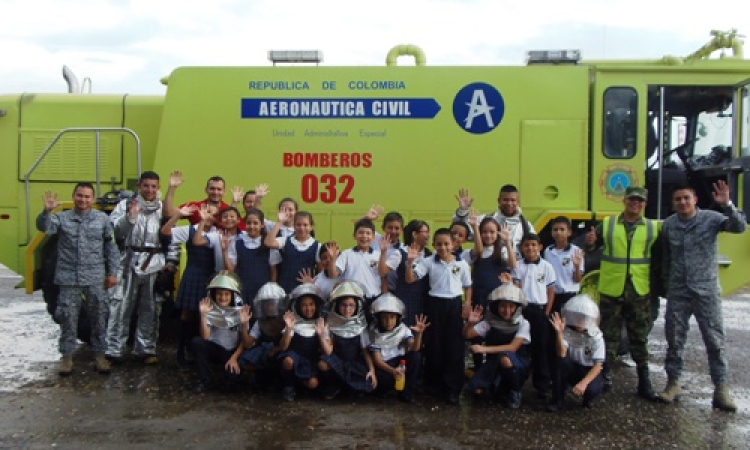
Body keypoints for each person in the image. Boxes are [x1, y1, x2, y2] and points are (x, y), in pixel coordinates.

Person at [658, 181, 746, 412]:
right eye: (678, 199)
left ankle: (721, 388)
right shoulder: (669, 225)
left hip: (706, 291)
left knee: (715, 341)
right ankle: (673, 383)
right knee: (674, 340)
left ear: (695, 200)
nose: (683, 202)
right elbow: (667, 258)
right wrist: (666, 286)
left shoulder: (711, 219)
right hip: (678, 291)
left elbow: (739, 227)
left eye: (687, 198)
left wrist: (727, 204)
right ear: (674, 203)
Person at [584, 185, 659, 401]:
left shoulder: (653, 229)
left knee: (639, 337)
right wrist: (589, 244)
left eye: (640, 201)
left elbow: (660, 259)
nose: (635, 203)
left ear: (644, 204)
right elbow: (590, 247)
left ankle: (644, 382)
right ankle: (603, 377)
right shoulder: (607, 225)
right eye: (631, 199)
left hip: (638, 290)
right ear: (624, 201)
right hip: (612, 290)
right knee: (608, 336)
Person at [37, 184, 120, 375]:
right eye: (80, 196)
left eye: (87, 196)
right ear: (74, 196)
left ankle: (100, 356)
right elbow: (46, 227)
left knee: (99, 317)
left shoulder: (102, 220)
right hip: (69, 279)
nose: (83, 200)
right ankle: (67, 359)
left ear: (93, 198)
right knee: (67, 318)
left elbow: (111, 248)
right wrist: (46, 212)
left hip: (94, 278)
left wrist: (113, 273)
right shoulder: (62, 218)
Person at [406, 228, 472, 405]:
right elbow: (411, 279)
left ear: (453, 245)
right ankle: (433, 385)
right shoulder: (428, 262)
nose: (442, 247)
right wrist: (409, 262)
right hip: (435, 304)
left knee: (454, 347)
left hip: (454, 305)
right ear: (433, 245)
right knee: (434, 345)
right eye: (439, 244)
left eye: (446, 244)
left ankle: (452, 389)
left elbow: (468, 286)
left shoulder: (462, 264)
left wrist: (467, 304)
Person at [106, 171, 165, 364]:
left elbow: (169, 234)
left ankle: (146, 349)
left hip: (154, 261)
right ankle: (114, 349)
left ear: (158, 188)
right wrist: (129, 219)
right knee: (121, 305)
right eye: (146, 185)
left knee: (150, 307)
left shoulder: (162, 208)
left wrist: (171, 261)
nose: (149, 190)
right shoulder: (124, 206)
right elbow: (115, 232)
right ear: (139, 185)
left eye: (153, 186)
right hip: (128, 260)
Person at [160, 204, 217, 366]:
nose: (209, 216)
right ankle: (180, 353)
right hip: (193, 274)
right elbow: (165, 232)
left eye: (213, 214)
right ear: (200, 213)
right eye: (207, 212)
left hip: (210, 276)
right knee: (187, 314)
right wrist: (177, 215)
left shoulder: (217, 232)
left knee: (205, 315)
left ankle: (199, 354)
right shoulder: (190, 229)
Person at [464, 284, 531, 408]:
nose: (507, 310)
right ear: (496, 306)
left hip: (517, 363)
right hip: (494, 363)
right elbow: (467, 335)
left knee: (505, 358)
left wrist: (483, 349)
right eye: (503, 306)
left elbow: (512, 348)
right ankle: (496, 388)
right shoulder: (490, 322)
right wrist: (470, 324)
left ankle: (515, 392)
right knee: (477, 390)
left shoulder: (523, 323)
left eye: (511, 306)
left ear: (517, 308)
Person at [191, 271, 251, 393]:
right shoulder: (209, 308)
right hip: (215, 348)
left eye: (226, 294)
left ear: (232, 295)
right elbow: (205, 337)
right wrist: (203, 315)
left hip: (233, 352)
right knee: (196, 342)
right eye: (219, 294)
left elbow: (244, 342)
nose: (223, 297)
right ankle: (205, 380)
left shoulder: (240, 311)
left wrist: (234, 358)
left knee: (232, 385)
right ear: (214, 294)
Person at [513, 233, 556, 399]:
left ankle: (542, 385)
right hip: (523, 310)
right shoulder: (518, 266)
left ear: (540, 247)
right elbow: (516, 287)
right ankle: (517, 384)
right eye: (526, 245)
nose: (530, 248)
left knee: (541, 349)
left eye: (533, 244)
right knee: (522, 347)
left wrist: (547, 311)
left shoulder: (546, 267)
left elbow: (550, 291)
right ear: (522, 248)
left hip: (540, 310)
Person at [365, 293, 429, 403]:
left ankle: (407, 393)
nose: (388, 321)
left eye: (392, 317)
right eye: (384, 317)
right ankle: (384, 390)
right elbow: (377, 360)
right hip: (385, 366)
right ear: (379, 318)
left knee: (416, 357)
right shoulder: (373, 332)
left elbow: (414, 347)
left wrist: (418, 334)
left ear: (398, 318)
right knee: (381, 379)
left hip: (400, 363)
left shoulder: (403, 330)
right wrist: (393, 371)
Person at [325, 219, 398, 313]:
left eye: (368, 233)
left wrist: (384, 298)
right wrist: (332, 260)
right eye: (361, 233)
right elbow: (333, 275)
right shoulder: (347, 254)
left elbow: (383, 277)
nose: (364, 236)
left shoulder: (379, 255)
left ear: (373, 237)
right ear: (354, 235)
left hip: (374, 299)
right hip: (353, 301)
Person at [318, 281, 376, 399]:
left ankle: (348, 388)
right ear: (338, 305)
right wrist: (321, 335)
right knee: (323, 364)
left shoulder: (360, 324)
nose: (347, 309)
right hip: (337, 361)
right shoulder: (331, 322)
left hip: (354, 363)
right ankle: (334, 386)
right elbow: (329, 352)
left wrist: (372, 371)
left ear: (356, 306)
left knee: (370, 384)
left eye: (351, 305)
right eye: (344, 305)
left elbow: (365, 351)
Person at [548, 294, 605, 411]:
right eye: (576, 317)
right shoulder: (567, 331)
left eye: (583, 318)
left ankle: (588, 399)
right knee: (560, 362)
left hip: (588, 370)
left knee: (592, 389)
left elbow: (598, 366)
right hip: (572, 367)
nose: (580, 321)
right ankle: (557, 399)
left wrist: (583, 383)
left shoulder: (596, 336)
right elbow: (562, 353)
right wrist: (559, 333)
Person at [278, 283, 331, 401]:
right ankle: (289, 386)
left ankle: (318, 387)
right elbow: (283, 347)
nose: (308, 309)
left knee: (313, 383)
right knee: (287, 361)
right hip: (295, 358)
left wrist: (321, 336)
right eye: (304, 305)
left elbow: (328, 352)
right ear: (298, 306)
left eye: (311, 304)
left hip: (312, 360)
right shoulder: (293, 321)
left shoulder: (321, 322)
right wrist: (289, 329)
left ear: (316, 305)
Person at [453, 185, 535, 257]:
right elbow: (460, 230)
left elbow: (534, 250)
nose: (509, 203)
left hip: (515, 271)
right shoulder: (485, 220)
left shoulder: (525, 226)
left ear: (518, 202)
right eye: (505, 200)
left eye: (513, 200)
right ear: (498, 201)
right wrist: (463, 210)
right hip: (489, 270)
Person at [223, 208, 280, 303]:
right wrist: (224, 251)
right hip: (242, 290)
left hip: (263, 292)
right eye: (248, 223)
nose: (251, 226)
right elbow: (231, 269)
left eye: (255, 223)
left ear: (262, 225)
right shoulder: (237, 242)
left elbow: (273, 271)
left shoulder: (268, 244)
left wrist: (271, 291)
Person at [238, 282, 287, 391]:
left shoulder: (285, 321)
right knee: (247, 359)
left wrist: (277, 349)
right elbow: (247, 343)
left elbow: (287, 344)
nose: (270, 307)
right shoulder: (260, 322)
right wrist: (244, 325)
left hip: (280, 352)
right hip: (264, 353)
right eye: (267, 304)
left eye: (273, 303)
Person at [264, 210, 320, 294]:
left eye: (305, 225)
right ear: (294, 226)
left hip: (306, 292)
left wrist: (313, 282)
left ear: (311, 226)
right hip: (285, 289)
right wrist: (280, 222)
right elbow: (268, 242)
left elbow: (321, 272)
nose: (301, 228)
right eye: (298, 225)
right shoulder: (286, 240)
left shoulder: (317, 246)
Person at [391, 220, 432, 326]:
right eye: (425, 232)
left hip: (423, 301)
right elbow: (383, 273)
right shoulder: (400, 253)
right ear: (414, 234)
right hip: (405, 299)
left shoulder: (429, 254)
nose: (428, 235)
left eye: (428, 232)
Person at [162, 172, 228, 225]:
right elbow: (168, 213)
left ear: (224, 192)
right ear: (206, 190)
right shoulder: (195, 207)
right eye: (212, 188)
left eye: (219, 189)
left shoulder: (228, 210)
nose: (215, 192)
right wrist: (172, 188)